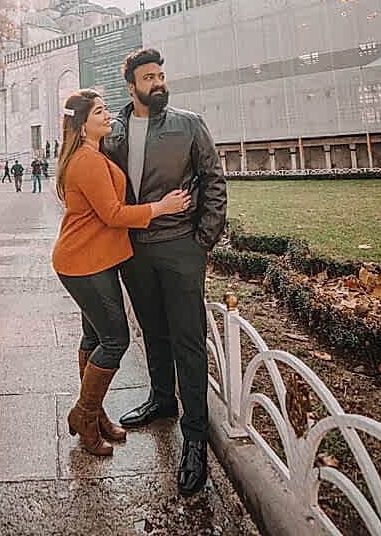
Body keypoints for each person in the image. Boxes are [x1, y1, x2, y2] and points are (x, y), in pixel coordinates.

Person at [103, 48, 227, 497]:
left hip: (180, 247)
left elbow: (213, 180)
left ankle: (195, 439)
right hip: (134, 251)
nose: (158, 83)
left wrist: (202, 241)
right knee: (152, 331)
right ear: (131, 86)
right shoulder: (113, 133)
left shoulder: (189, 124)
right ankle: (161, 400)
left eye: (160, 75)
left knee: (188, 340)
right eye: (148, 77)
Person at [52, 90, 190, 457]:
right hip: (85, 263)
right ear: (83, 126)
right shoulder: (87, 160)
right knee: (115, 341)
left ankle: (94, 415)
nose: (107, 115)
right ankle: (84, 415)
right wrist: (161, 207)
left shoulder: (91, 154)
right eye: (99, 111)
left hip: (88, 259)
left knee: (94, 337)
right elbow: (113, 214)